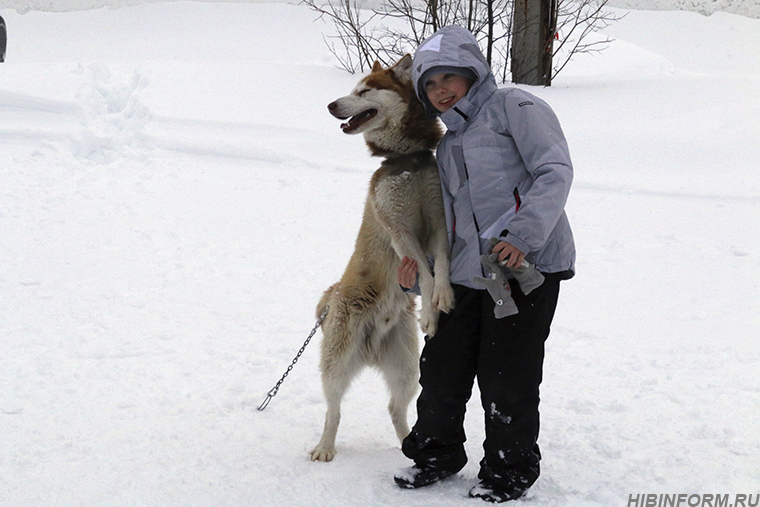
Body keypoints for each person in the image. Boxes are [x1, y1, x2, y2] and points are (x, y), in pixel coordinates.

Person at [393, 25, 576, 503]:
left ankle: (508, 470)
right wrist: (423, 269)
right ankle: (436, 453)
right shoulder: (449, 143)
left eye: (449, 77)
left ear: (473, 72)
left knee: (507, 375)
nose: (441, 91)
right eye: (430, 84)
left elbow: (554, 170)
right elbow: (451, 223)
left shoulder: (515, 107)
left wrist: (522, 236)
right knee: (442, 368)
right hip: (469, 273)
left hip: (526, 269)